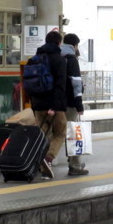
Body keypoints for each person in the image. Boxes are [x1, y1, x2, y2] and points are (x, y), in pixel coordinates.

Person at [30, 29, 68, 179]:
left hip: (38, 104)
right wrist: (55, 105)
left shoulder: (34, 58)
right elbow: (60, 85)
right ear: (59, 43)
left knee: (42, 135)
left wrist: (34, 103)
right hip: (54, 104)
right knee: (60, 133)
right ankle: (48, 158)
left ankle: (41, 164)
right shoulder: (59, 59)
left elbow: (30, 83)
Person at [60, 33, 89, 176]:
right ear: (75, 45)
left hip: (53, 103)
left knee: (53, 134)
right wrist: (79, 105)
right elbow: (76, 84)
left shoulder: (55, 56)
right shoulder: (71, 59)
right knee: (73, 133)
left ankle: (42, 163)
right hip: (69, 103)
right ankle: (75, 165)